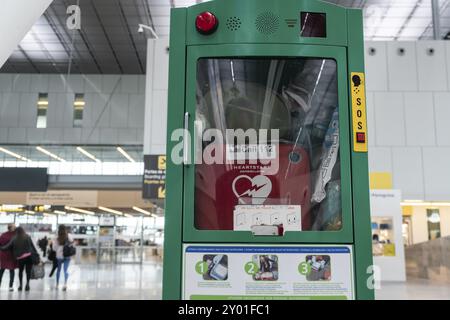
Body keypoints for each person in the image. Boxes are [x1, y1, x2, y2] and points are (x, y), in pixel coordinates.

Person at [0, 227, 38, 291]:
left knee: (20, 272)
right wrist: (37, 255)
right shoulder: (27, 236)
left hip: (21, 258)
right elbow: (32, 246)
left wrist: (1, 248)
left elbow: (7, 247)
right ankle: (27, 285)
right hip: (29, 257)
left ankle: (20, 286)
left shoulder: (14, 238)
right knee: (28, 272)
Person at [51, 225, 73, 291]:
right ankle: (65, 284)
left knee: (59, 270)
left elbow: (54, 248)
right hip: (67, 255)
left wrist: (59, 248)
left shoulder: (56, 237)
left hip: (59, 256)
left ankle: (57, 285)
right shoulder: (69, 236)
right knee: (65, 270)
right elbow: (72, 245)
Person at [0, 224, 18, 291]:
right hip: (11, 255)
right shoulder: (15, 235)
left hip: (4, 254)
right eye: (14, 226)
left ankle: (9, 286)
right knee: (11, 270)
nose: (15, 227)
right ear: (11, 228)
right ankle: (10, 286)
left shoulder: (3, 235)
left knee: (2, 270)